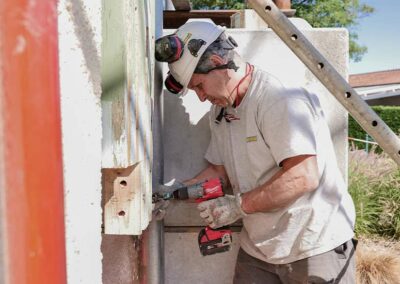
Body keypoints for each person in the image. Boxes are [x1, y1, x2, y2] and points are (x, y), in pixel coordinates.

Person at [155, 20, 356, 284]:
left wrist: (237, 206)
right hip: (260, 250)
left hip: (313, 244)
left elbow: (303, 176)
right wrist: (177, 190)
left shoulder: (278, 98)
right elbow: (219, 171)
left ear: (218, 62)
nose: (201, 98)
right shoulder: (221, 111)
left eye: (199, 86)